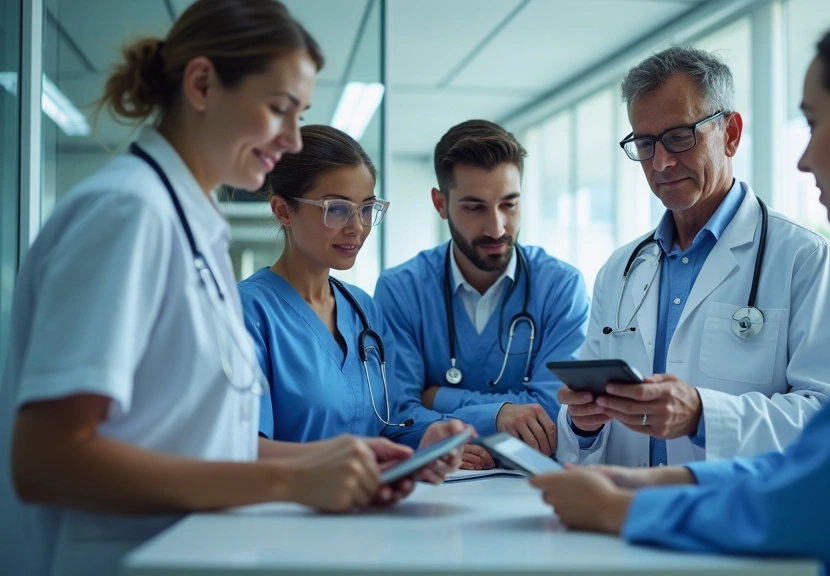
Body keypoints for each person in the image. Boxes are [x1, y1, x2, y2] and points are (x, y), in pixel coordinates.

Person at [532, 1, 830, 573]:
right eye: (645, 145)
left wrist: (627, 510)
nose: (804, 157)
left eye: (814, 123)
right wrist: (671, 480)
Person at [0, 2, 447, 575]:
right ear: (203, 84)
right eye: (279, 109)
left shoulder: (192, 227)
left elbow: (198, 438)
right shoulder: (128, 213)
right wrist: (291, 478)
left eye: (299, 114)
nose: (290, 140)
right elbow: (45, 460)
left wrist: (350, 459)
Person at [555, 45, 830, 468]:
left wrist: (703, 416)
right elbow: (583, 431)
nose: (661, 162)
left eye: (679, 136)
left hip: (740, 519)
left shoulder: (804, 258)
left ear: (731, 134)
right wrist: (581, 425)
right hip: (626, 513)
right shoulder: (620, 270)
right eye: (645, 143)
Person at [238, 123, 470, 455]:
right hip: (287, 504)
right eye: (337, 209)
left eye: (366, 209)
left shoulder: (363, 308)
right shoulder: (247, 311)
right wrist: (344, 461)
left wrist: (428, 439)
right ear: (283, 210)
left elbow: (388, 424)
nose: (357, 228)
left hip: (368, 502)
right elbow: (242, 448)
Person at [374, 120, 589, 466]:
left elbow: (556, 411)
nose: (496, 227)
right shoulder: (401, 290)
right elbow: (398, 417)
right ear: (440, 204)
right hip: (437, 492)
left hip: (538, 492)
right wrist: (499, 416)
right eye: (474, 207)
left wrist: (438, 398)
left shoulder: (561, 287)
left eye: (509, 205)